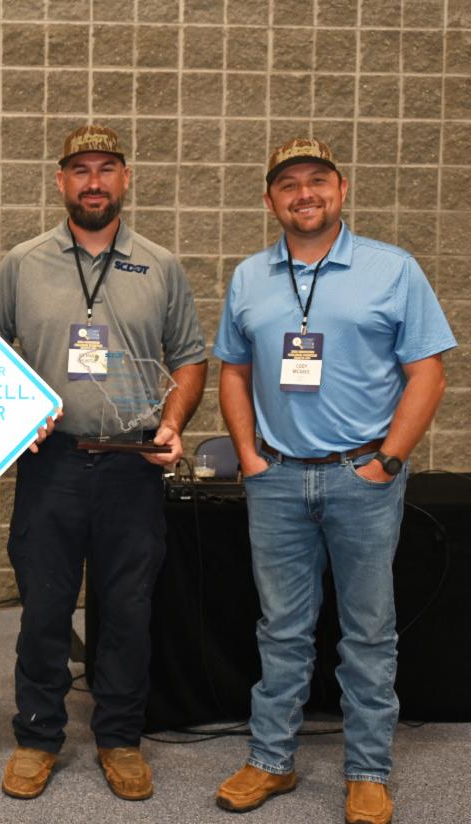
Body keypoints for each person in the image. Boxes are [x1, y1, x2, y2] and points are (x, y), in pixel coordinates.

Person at [213, 138, 455, 824]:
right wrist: (248, 455)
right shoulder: (250, 276)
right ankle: (271, 760)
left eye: (318, 180)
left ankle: (368, 770)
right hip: (277, 478)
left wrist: (389, 461)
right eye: (289, 184)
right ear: (270, 199)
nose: (305, 194)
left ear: (341, 190)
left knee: (368, 632)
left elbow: (428, 372)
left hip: (362, 477)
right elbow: (233, 369)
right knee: (281, 629)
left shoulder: (392, 269)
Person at [0, 124, 207, 802]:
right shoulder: (23, 263)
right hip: (51, 464)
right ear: (61, 181)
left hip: (132, 466)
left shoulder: (160, 265)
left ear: (125, 179)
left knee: (128, 610)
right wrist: (10, 414)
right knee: (45, 609)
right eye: (80, 170)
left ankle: (119, 738)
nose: (93, 182)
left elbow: (189, 359)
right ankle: (37, 736)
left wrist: (173, 423)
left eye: (106, 168)